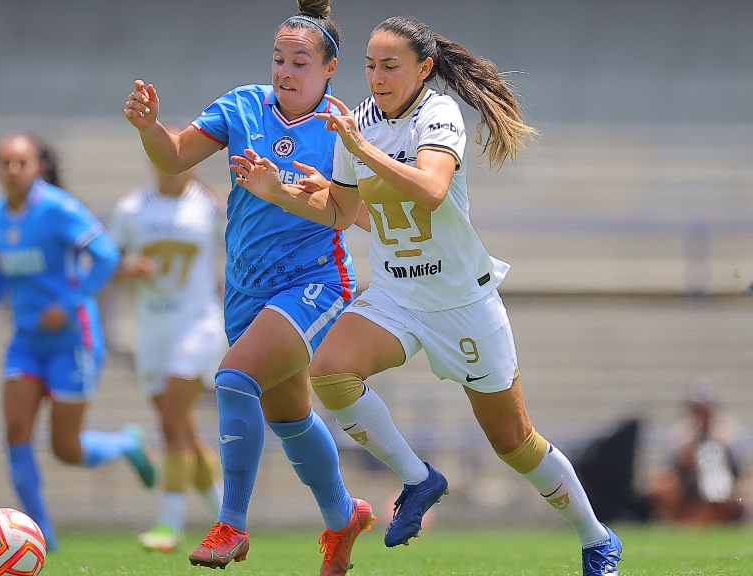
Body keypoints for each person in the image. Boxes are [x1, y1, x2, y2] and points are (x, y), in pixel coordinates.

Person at [228, 15, 623, 576]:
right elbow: (341, 212)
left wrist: (363, 151)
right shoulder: (356, 121)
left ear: (424, 69)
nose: (377, 77)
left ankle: (597, 537)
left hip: (462, 302)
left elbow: (433, 189)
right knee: (331, 371)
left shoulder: (437, 114)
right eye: (369, 65)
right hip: (396, 297)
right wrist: (280, 192)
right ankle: (419, 479)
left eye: (390, 66)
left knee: (514, 442)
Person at [123, 2, 375, 574]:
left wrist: (279, 188)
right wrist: (148, 128)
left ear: (330, 68)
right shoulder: (241, 105)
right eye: (279, 59)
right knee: (289, 418)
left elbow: (347, 214)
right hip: (245, 290)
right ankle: (343, 517)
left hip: (313, 283)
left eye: (300, 62)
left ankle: (231, 522)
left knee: (234, 378)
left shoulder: (344, 129)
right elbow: (176, 154)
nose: (286, 71)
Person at [0, 133, 157, 552]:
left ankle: (125, 443)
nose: (13, 170)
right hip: (26, 342)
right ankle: (42, 534)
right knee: (15, 430)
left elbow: (104, 255)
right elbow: (5, 272)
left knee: (65, 448)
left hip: (72, 340)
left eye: (21, 162)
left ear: (38, 167)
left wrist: (68, 302)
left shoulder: (57, 208)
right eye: (5, 162)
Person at [108, 158, 228, 553]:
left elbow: (241, 240)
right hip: (152, 332)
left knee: (172, 419)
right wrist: (127, 270)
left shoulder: (208, 205)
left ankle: (169, 526)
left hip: (198, 325)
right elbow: (107, 266)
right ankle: (228, 517)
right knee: (182, 429)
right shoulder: (131, 208)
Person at [647, 380, 747, 525]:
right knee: (661, 484)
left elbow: (735, 470)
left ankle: (702, 522)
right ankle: (682, 520)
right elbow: (671, 467)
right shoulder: (682, 433)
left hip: (721, 487)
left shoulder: (726, 432)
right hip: (687, 485)